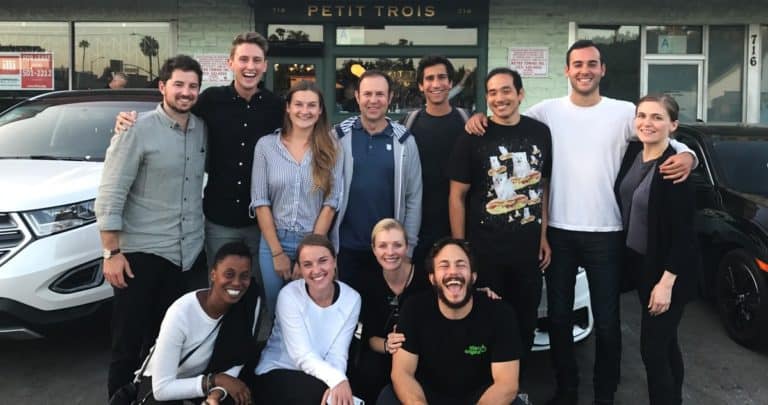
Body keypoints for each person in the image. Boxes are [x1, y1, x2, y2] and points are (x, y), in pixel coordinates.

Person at [464, 40, 696, 405]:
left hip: (607, 234)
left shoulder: (623, 112)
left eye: (591, 64)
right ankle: (567, 391)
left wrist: (689, 155)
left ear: (602, 69)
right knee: (558, 319)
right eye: (577, 64)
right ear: (567, 70)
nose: (584, 70)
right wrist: (477, 118)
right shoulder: (547, 111)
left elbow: (659, 133)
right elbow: (505, 116)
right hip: (559, 233)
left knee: (607, 323)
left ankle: (605, 394)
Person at [115, 32, 283, 316]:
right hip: (219, 220)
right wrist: (130, 121)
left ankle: (252, 340)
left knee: (257, 291)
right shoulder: (210, 100)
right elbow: (173, 114)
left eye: (257, 60)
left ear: (265, 65)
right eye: (243, 59)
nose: (250, 66)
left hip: (263, 222)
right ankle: (218, 340)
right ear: (231, 62)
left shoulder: (276, 106)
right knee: (220, 292)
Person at [97, 55, 208, 397]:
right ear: (162, 87)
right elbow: (111, 193)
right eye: (178, 84)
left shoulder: (202, 130)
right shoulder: (136, 130)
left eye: (192, 86)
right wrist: (111, 252)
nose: (186, 92)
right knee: (128, 344)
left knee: (166, 346)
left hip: (186, 255)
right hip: (141, 255)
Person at [449, 68, 551, 374]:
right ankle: (485, 386)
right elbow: (457, 196)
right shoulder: (473, 136)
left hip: (527, 252)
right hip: (485, 251)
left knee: (525, 323)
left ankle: (516, 386)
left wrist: (543, 235)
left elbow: (542, 187)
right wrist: (461, 248)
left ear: (520, 94)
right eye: (492, 92)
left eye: (506, 90)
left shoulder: (540, 132)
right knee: (486, 323)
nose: (499, 98)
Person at [615, 95, 697, 405]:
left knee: (652, 349)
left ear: (673, 125)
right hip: (642, 265)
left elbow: (684, 235)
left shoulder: (674, 168)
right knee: (666, 343)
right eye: (642, 116)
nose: (647, 123)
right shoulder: (632, 153)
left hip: (669, 272)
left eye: (657, 117)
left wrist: (666, 283)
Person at [381, 237, 521, 405]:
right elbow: (402, 373)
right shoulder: (413, 308)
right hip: (426, 397)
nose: (453, 272)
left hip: (481, 399)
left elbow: (506, 384)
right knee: (388, 397)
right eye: (444, 266)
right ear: (432, 278)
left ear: (473, 276)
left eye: (461, 265)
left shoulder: (500, 313)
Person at [250, 80, 343, 312]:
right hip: (274, 241)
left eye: (312, 105)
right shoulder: (266, 146)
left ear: (320, 110)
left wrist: (309, 255)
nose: (305, 111)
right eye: (299, 104)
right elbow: (260, 202)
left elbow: (330, 204)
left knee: (310, 309)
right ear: (288, 108)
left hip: (314, 239)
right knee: (276, 310)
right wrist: (277, 253)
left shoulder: (332, 147)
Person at [135, 242, 265, 405]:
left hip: (207, 379)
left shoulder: (249, 302)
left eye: (244, 276)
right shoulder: (181, 312)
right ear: (213, 275)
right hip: (165, 386)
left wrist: (217, 393)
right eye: (229, 274)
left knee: (239, 395)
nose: (237, 283)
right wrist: (215, 381)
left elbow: (239, 358)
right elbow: (162, 389)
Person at [332, 70, 422, 293]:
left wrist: (408, 248)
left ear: (390, 98)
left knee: (382, 312)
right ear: (357, 97)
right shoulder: (338, 137)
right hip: (346, 248)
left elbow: (413, 197)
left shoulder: (404, 140)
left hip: (388, 252)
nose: (373, 100)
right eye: (367, 94)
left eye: (380, 94)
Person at [254, 234, 362, 404]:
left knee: (343, 398)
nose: (316, 270)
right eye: (307, 264)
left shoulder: (352, 298)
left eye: (323, 261)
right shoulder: (289, 295)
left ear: (334, 261)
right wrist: (336, 380)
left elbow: (338, 353)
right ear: (300, 269)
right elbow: (301, 355)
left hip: (322, 375)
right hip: (279, 370)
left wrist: (334, 384)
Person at [401, 55, 471, 270]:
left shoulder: (468, 122)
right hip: (418, 227)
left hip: (461, 225)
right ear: (421, 86)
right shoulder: (408, 124)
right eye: (429, 79)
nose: (436, 84)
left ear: (450, 83)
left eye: (442, 77)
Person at [354, 218, 429, 402]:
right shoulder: (367, 282)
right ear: (374, 249)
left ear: (407, 247)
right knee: (369, 370)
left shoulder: (426, 278)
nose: (390, 252)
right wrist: (388, 345)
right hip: (384, 351)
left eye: (397, 245)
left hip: (420, 352)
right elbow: (369, 336)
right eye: (382, 246)